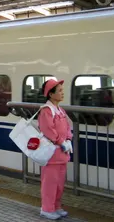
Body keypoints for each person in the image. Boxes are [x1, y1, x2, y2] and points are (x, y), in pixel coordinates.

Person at [38, 78, 73, 220]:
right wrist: (60, 141)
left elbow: (68, 127)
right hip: (51, 154)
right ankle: (46, 209)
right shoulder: (46, 111)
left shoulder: (60, 110)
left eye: (62, 90)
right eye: (59, 91)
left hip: (62, 154)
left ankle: (56, 207)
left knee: (59, 184)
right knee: (50, 183)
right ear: (51, 94)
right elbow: (48, 130)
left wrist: (69, 139)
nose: (62, 93)